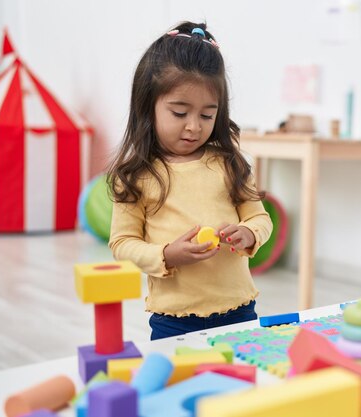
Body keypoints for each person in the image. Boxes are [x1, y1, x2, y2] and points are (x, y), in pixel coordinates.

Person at [106, 21, 272, 340]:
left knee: (240, 386)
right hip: (174, 319)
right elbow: (122, 243)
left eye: (207, 115)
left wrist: (249, 233)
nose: (194, 127)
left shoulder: (229, 163)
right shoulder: (137, 174)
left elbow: (260, 218)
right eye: (180, 113)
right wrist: (166, 255)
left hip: (239, 310)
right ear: (147, 107)